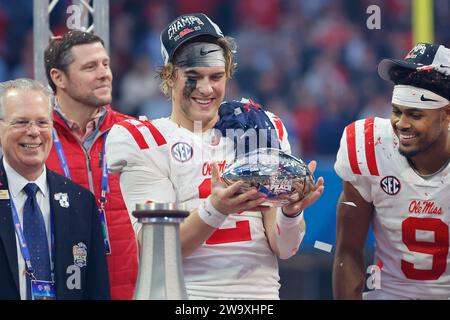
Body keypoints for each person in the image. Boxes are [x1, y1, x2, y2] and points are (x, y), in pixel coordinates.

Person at [106, 13, 324, 299]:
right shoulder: (144, 140)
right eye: (193, 77)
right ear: (170, 76)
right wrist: (216, 209)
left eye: (216, 77)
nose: (206, 89)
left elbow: (285, 248)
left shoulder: (257, 128)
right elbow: (156, 253)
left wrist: (291, 212)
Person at [333, 43, 450, 299]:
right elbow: (348, 251)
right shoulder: (371, 146)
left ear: (447, 114)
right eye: (396, 112)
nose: (402, 124)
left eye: (416, 115)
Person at [44, 31, 138, 300]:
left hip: (130, 291)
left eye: (105, 64)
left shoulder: (135, 134)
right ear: (58, 77)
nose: (104, 74)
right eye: (90, 67)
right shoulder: (35, 140)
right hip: (60, 289)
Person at [0, 78, 110, 300]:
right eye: (21, 122)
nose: (33, 132)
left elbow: (96, 290)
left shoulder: (81, 202)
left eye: (42, 122)